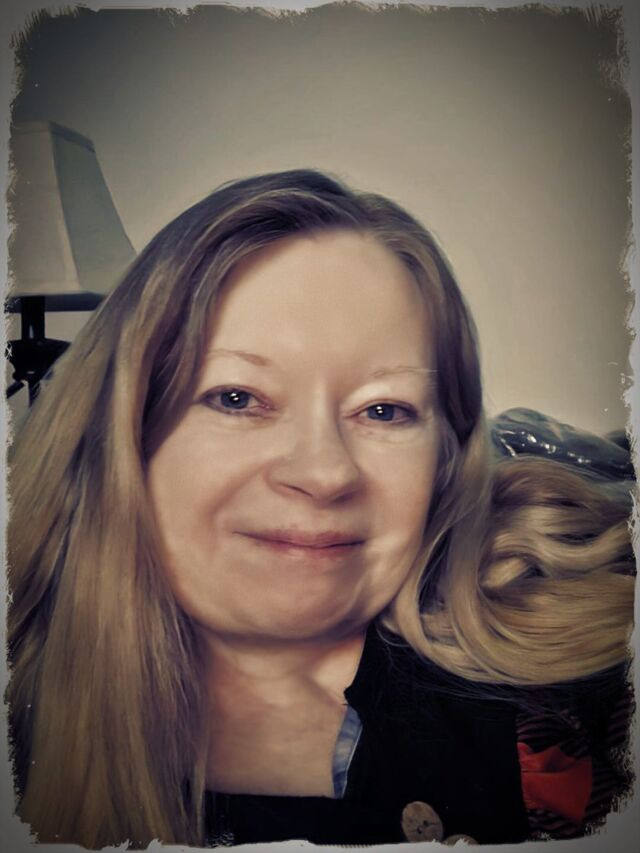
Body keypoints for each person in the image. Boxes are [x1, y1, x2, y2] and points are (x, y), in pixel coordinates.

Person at [6, 169, 634, 849]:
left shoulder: (565, 711)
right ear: (123, 434)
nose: (325, 472)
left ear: (446, 458)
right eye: (238, 398)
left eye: (384, 409)